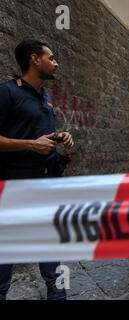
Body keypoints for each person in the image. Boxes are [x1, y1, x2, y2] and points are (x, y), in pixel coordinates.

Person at [0, 39, 75, 300]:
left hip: (47, 182)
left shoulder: (45, 95)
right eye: (51, 58)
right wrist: (31, 145)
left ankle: (57, 294)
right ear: (35, 59)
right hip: (15, 185)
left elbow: (39, 134)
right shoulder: (7, 92)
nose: (56, 63)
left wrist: (58, 137)